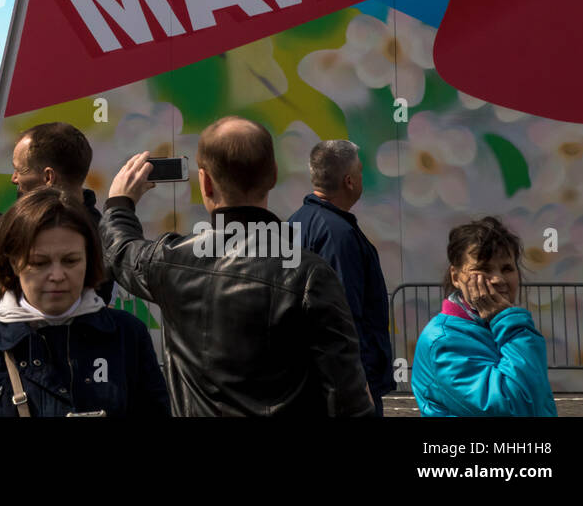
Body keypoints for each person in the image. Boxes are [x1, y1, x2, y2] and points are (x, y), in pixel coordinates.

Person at [102, 116, 374, 416]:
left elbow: (120, 250)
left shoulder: (170, 261)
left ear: (205, 183)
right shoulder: (311, 273)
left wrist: (120, 202)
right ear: (273, 175)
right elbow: (348, 396)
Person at [0, 189, 171, 417]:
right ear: (13, 263)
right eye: (39, 262)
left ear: (89, 261)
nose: (57, 275)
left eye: (70, 260)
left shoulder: (128, 335)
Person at [0, 122, 114, 317]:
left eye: (20, 170)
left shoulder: (72, 232)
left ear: (48, 177)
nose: (14, 179)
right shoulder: (78, 224)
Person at [288, 140, 394, 415]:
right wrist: (360, 386)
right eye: (360, 170)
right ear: (349, 181)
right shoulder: (339, 235)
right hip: (347, 386)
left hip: (309, 379)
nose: (362, 176)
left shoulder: (294, 223)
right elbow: (344, 315)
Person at [411, 217, 557, 417]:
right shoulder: (444, 341)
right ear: (456, 277)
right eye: (483, 269)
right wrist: (509, 322)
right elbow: (515, 406)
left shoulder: (501, 325)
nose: (498, 279)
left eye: (507, 268)